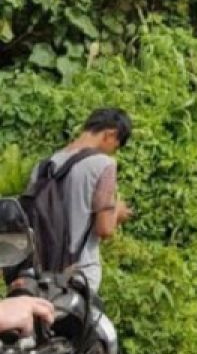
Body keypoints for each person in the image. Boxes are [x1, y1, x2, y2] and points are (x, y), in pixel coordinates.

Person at [29, 108, 134, 290]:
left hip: (40, 274)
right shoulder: (103, 164)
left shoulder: (43, 166)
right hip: (79, 274)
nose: (112, 153)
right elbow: (105, 228)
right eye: (116, 146)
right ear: (111, 135)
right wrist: (118, 211)